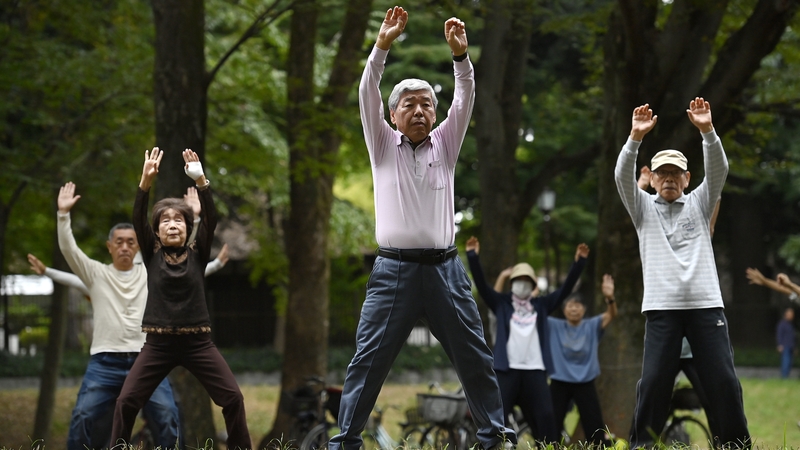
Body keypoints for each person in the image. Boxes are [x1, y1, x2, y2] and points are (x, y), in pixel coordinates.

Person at [327, 7, 515, 450]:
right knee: (368, 359)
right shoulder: (381, 145)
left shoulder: (446, 145)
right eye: (408, 104)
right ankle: (346, 441)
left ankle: (494, 436)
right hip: (393, 273)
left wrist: (461, 58)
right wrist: (382, 46)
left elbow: (465, 97)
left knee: (474, 355)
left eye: (426, 103)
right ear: (393, 115)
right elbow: (366, 91)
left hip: (446, 272)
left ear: (435, 114)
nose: (418, 109)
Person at [615, 99, 750, 448]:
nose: (669, 178)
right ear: (654, 179)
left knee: (722, 381)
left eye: (676, 173)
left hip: (706, 306)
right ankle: (642, 444)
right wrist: (634, 138)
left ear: (688, 178)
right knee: (655, 381)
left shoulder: (701, 203)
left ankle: (735, 444)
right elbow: (621, 176)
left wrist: (707, 131)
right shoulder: (643, 209)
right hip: (662, 309)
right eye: (662, 173)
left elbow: (719, 169)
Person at [109, 148, 251, 449]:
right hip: (157, 346)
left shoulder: (198, 254)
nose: (172, 224)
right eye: (165, 221)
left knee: (233, 399)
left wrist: (201, 179)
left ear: (188, 229)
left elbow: (210, 218)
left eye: (178, 221)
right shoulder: (151, 253)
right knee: (126, 401)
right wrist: (145, 182)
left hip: (198, 344)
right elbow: (138, 217)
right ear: (157, 233)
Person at [55, 182, 180, 450]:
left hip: (147, 361)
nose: (124, 247)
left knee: (168, 416)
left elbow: (181, 251)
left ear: (138, 248)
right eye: (119, 242)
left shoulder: (151, 272)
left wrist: (198, 216)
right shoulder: (96, 274)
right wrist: (63, 215)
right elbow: (69, 250)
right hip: (104, 363)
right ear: (109, 246)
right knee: (82, 416)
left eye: (130, 242)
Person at [466, 236, 589, 444]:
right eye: (518, 280)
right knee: (498, 418)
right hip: (507, 370)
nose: (522, 284)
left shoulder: (542, 305)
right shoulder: (502, 304)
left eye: (526, 281)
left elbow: (564, 290)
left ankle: (548, 447)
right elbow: (482, 287)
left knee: (546, 418)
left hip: (535, 370)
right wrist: (472, 257)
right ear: (512, 283)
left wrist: (579, 263)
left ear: (532, 284)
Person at [547, 274, 617, 446]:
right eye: (570, 305)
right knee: (551, 425)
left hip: (585, 381)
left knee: (594, 425)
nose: (574, 309)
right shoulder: (553, 325)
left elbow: (611, 315)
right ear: (564, 309)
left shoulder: (591, 325)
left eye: (578, 306)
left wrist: (610, 298)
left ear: (584, 310)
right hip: (559, 381)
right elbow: (537, 314)